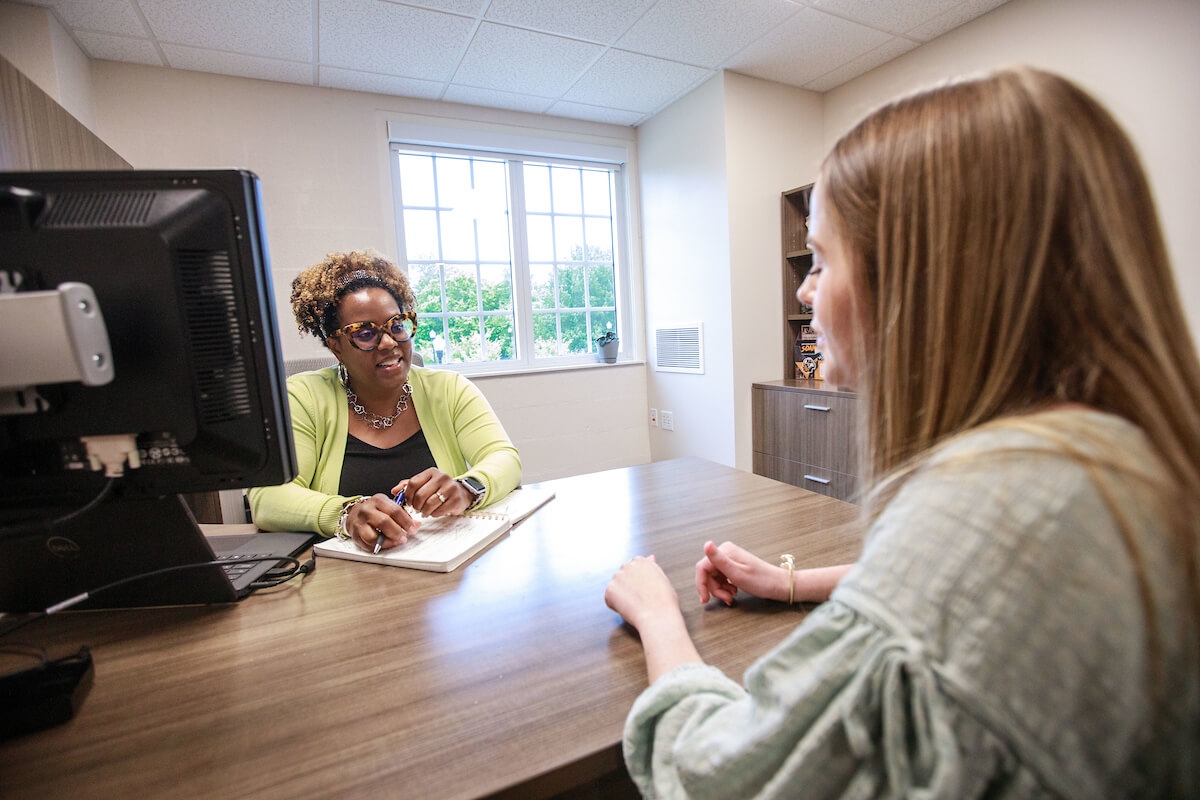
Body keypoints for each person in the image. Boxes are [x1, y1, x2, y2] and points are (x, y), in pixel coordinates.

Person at [605, 68, 1200, 798]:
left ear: (919, 279)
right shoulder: (1115, 464)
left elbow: (722, 778)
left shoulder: (996, 505)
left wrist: (659, 615)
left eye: (821, 259)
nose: (802, 289)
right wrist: (790, 582)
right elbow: (970, 605)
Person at [249, 249, 521, 553]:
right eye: (365, 333)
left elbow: (504, 457)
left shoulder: (448, 388)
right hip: (339, 580)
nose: (390, 342)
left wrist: (467, 488)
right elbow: (267, 497)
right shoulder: (304, 397)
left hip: (444, 569)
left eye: (397, 325)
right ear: (336, 346)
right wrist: (347, 514)